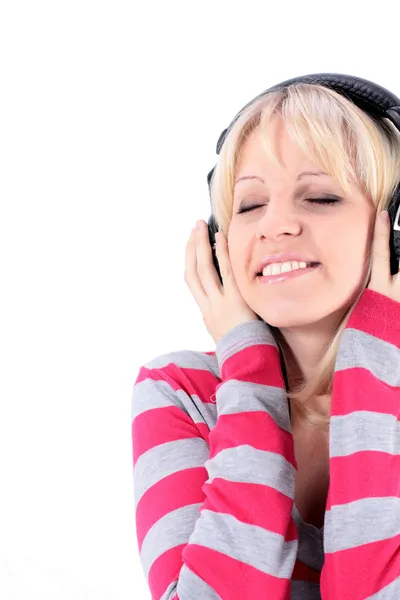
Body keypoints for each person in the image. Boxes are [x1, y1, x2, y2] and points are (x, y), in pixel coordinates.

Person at [131, 80, 400, 599]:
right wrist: (249, 370)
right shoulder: (182, 394)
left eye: (321, 196)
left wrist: (373, 369)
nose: (274, 226)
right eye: (250, 204)